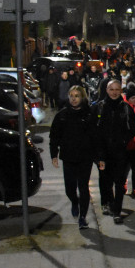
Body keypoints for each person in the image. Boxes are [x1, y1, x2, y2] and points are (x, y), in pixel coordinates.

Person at [49, 85, 98, 229]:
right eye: (71, 96)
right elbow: (54, 136)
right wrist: (54, 154)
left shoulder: (89, 114)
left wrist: (98, 156)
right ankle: (74, 201)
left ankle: (82, 217)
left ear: (82, 97)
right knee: (69, 188)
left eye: (77, 96)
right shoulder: (62, 115)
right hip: (69, 156)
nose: (74, 99)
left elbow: (95, 136)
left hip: (85, 157)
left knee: (83, 187)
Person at [94, 79, 135, 224]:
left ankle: (117, 210)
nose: (114, 92)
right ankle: (109, 203)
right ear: (106, 90)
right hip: (103, 152)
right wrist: (99, 154)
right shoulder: (99, 107)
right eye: (111, 89)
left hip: (120, 152)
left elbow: (132, 128)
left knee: (119, 182)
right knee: (106, 181)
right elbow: (94, 131)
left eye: (117, 89)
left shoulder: (126, 108)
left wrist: (123, 141)